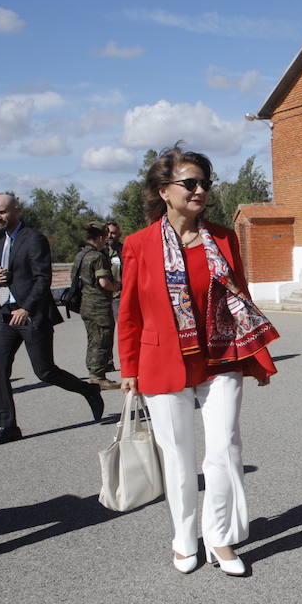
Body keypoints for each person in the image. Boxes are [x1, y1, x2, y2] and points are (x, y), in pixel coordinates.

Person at [117, 143, 280, 576]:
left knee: (225, 448)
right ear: (163, 191)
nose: (200, 190)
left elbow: (241, 299)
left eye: (205, 183)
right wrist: (128, 368)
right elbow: (129, 311)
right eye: (189, 182)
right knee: (178, 456)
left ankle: (221, 539)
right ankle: (185, 537)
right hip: (161, 362)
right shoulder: (138, 244)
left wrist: (257, 357)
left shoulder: (223, 238)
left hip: (222, 356)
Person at [0, 194, 104, 447]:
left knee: (45, 371)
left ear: (16, 210)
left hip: (30, 314)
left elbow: (42, 278)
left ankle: (88, 390)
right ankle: (8, 426)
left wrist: (26, 308)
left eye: (2, 212)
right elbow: (2, 280)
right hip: (5, 314)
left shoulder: (33, 239)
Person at [74, 222, 120, 390]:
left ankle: (93, 372)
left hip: (85, 303)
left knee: (93, 339)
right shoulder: (97, 256)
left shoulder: (81, 255)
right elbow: (104, 282)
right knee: (102, 339)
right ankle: (98, 376)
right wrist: (117, 286)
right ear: (100, 237)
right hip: (99, 305)